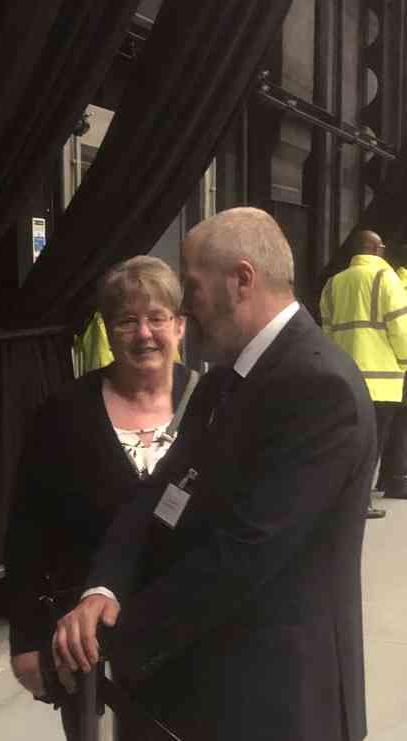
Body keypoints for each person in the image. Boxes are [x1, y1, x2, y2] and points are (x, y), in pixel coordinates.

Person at [53, 208, 375, 741]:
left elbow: (248, 551)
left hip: (278, 701)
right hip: (209, 686)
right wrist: (103, 590)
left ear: (242, 280)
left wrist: (111, 639)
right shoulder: (228, 379)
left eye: (193, 287)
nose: (184, 307)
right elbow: (159, 492)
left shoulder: (319, 387)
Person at [6, 256, 196, 740]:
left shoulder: (211, 403)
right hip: (86, 639)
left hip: (191, 629)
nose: (144, 334)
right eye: (127, 321)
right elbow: (27, 529)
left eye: (157, 318)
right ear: (108, 332)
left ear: (180, 326)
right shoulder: (63, 412)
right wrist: (26, 640)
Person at [320, 229, 407, 516]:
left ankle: (342, 498)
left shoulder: (334, 283)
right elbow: (400, 328)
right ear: (377, 249)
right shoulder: (386, 280)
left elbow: (327, 332)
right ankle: (361, 501)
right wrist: (404, 361)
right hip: (382, 380)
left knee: (347, 442)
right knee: (372, 444)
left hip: (344, 379)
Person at [377, 241, 407, 498]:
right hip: (394, 363)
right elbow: (400, 328)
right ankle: (396, 478)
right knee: (401, 423)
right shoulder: (393, 285)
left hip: (368, 365)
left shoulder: (397, 280)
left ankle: (389, 476)